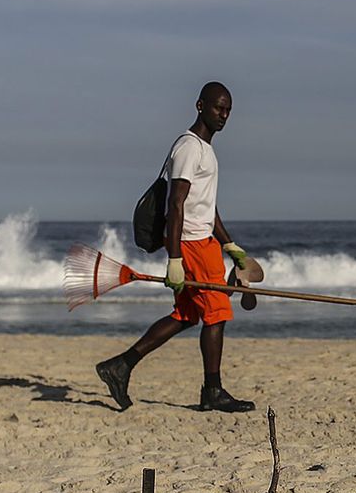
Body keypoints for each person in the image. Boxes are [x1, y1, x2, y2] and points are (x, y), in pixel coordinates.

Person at [95, 82, 255, 414]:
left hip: (204, 240)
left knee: (187, 315)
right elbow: (176, 203)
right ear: (200, 105)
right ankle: (212, 390)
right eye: (217, 108)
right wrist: (175, 258)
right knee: (217, 314)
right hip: (192, 244)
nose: (223, 115)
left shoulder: (206, 150)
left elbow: (206, 206)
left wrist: (230, 244)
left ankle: (120, 365)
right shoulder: (189, 147)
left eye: (227, 110)